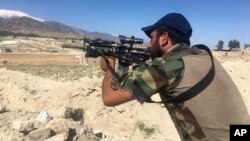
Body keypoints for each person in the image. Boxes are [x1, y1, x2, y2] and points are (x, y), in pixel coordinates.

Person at [99, 13, 250, 140]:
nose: (148, 45)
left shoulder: (167, 66)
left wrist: (108, 69)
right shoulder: (204, 55)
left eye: (151, 38)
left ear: (164, 38)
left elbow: (109, 98)